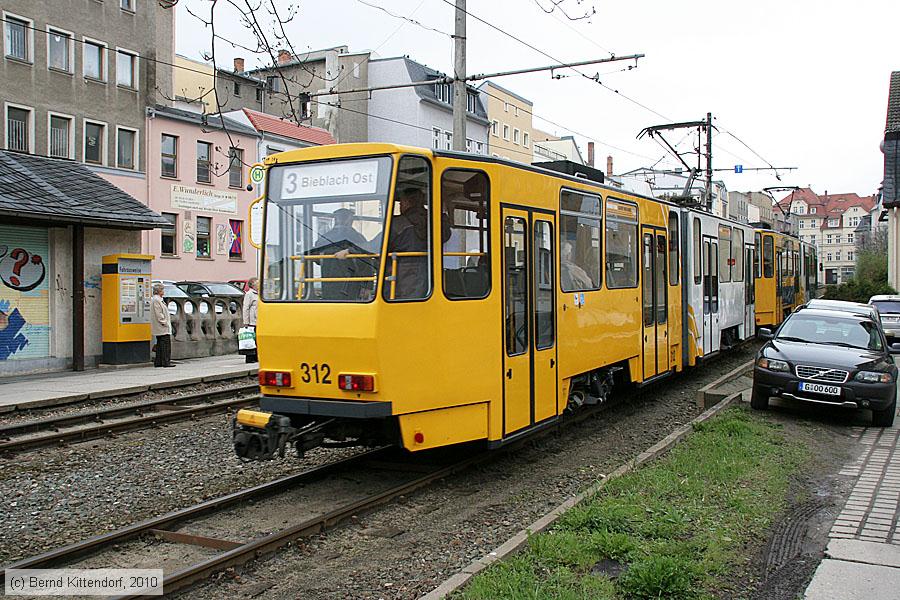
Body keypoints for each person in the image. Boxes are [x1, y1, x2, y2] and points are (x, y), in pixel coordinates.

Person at [385, 187, 451, 299]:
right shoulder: (435, 219)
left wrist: (351, 250)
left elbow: (377, 248)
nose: (400, 206)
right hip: (431, 267)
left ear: (407, 202)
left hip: (403, 272)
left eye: (401, 202)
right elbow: (446, 236)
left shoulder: (399, 223)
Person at [313, 208, 372, 300]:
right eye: (341, 218)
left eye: (344, 218)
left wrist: (367, 286)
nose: (342, 220)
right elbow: (316, 256)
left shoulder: (356, 238)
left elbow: (367, 259)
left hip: (347, 282)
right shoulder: (357, 237)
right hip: (333, 280)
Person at [151, 283, 175, 367]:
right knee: (165, 345)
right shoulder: (156, 300)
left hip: (161, 326)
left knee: (161, 345)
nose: (163, 291)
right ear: (159, 291)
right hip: (161, 327)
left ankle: (159, 362)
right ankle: (165, 362)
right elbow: (159, 313)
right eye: (162, 290)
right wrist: (164, 322)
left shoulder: (158, 299)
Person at [242, 277, 259, 363]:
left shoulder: (259, 294)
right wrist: (246, 322)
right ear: (252, 285)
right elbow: (246, 308)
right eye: (257, 283)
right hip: (252, 321)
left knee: (257, 340)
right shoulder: (249, 294)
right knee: (251, 340)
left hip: (259, 321)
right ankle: (250, 358)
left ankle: (256, 356)